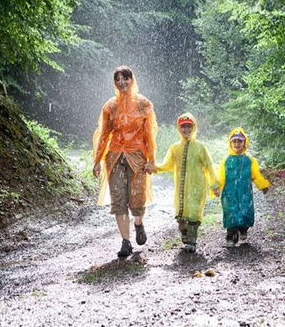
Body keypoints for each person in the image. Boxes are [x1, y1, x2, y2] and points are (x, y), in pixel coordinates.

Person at [92, 65, 157, 258]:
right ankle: (125, 242)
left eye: (125, 78)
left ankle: (138, 223)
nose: (122, 83)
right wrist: (97, 160)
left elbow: (149, 134)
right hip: (114, 157)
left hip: (137, 156)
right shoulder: (110, 106)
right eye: (118, 80)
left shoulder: (144, 104)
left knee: (137, 199)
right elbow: (104, 134)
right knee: (118, 200)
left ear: (132, 79)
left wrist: (151, 159)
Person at [154, 113, 220, 253]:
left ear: (194, 127)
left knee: (194, 215)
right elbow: (167, 165)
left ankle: (192, 241)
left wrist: (215, 185)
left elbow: (209, 165)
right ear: (179, 128)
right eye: (183, 126)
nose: (186, 130)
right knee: (181, 216)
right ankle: (185, 235)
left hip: (197, 187)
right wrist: (154, 167)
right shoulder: (174, 148)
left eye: (189, 126)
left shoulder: (200, 147)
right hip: (181, 189)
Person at [217, 127, 270, 247]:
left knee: (245, 212)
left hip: (244, 193)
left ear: (244, 143)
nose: (237, 144)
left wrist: (263, 185)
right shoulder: (226, 160)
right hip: (229, 194)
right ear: (230, 143)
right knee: (230, 213)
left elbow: (256, 175)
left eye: (239, 141)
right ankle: (230, 237)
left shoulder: (249, 160)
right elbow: (221, 176)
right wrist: (216, 188)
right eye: (234, 141)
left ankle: (243, 229)